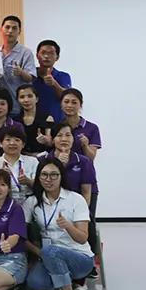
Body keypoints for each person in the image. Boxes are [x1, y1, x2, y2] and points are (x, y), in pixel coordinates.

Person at [24, 159, 94, 290]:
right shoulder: (32, 201)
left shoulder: (75, 199)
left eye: (54, 175)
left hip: (79, 257)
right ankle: (59, 288)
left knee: (51, 251)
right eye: (44, 175)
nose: (48, 179)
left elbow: (82, 238)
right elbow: (21, 235)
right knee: (35, 282)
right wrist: (40, 253)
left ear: (62, 176)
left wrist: (68, 226)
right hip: (49, 256)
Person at [56, 90, 102, 256]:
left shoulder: (91, 128)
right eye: (66, 101)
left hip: (85, 182)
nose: (70, 105)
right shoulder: (57, 126)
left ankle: (92, 258)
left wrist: (85, 145)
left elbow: (91, 157)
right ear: (61, 104)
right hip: (62, 183)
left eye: (74, 102)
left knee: (86, 220)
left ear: (80, 105)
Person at [0, 125, 38, 214]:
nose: (12, 143)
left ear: (23, 144)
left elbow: (41, 185)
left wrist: (28, 181)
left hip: (29, 201)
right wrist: (1, 178)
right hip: (4, 202)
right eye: (8, 140)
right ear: (1, 144)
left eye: (17, 140)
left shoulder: (32, 161)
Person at [38, 123, 95, 205]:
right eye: (59, 135)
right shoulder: (42, 160)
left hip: (75, 206)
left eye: (68, 135)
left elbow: (86, 193)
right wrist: (58, 165)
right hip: (48, 205)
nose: (64, 139)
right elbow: (39, 188)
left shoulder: (84, 161)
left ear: (73, 139)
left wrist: (81, 211)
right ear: (53, 140)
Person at [0, 15, 36, 114]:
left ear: (19, 32)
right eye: (7, 27)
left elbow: (30, 78)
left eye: (14, 28)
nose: (10, 31)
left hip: (19, 105)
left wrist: (21, 72)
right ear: (1, 29)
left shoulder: (26, 52)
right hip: (0, 106)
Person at [33, 39, 71, 122]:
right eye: (43, 52)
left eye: (51, 53)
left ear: (57, 57)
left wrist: (54, 84)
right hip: (33, 123)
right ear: (37, 55)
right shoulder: (30, 76)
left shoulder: (63, 76)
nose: (46, 56)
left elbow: (67, 99)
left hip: (57, 124)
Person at [14, 84, 53, 155]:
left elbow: (50, 142)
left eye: (30, 96)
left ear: (37, 99)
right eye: (22, 97)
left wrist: (46, 140)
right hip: (21, 157)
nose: (26, 100)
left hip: (41, 156)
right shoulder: (15, 120)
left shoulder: (47, 118)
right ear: (17, 100)